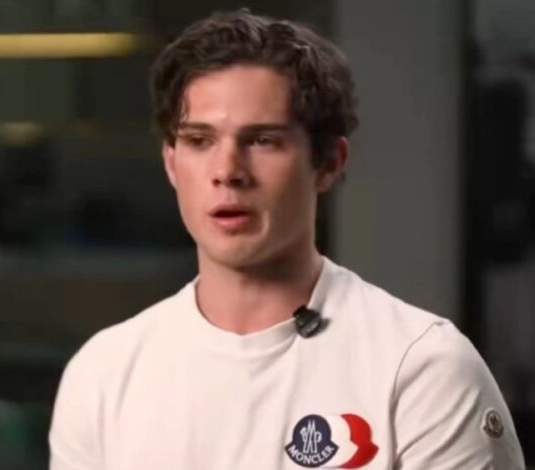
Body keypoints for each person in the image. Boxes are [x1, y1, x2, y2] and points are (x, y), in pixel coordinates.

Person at [49, 9, 526, 470]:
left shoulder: (423, 370)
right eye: (200, 140)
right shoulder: (103, 375)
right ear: (172, 163)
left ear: (329, 163)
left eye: (262, 140)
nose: (227, 171)